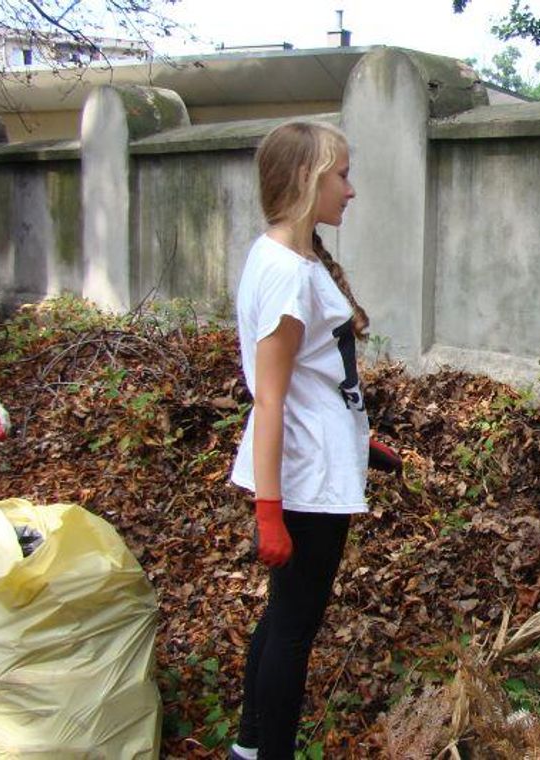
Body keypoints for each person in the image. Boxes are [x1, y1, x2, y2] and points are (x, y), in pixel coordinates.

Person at [228, 120, 368, 760]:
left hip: (315, 459)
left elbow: (314, 377)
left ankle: (250, 745)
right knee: (293, 628)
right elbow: (272, 395)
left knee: (282, 617)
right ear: (310, 180)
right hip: (304, 475)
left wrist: (366, 438)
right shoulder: (287, 272)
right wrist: (269, 512)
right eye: (342, 174)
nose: (351, 189)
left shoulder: (286, 256)